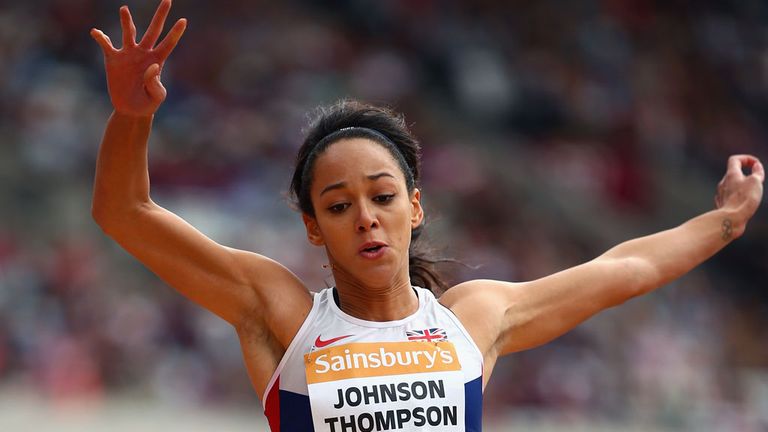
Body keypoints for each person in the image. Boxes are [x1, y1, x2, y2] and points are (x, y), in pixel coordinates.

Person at [90, 1, 764, 431]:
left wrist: (726, 222)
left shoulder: (472, 319)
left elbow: (627, 268)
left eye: (383, 196)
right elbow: (125, 211)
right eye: (337, 205)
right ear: (312, 228)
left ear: (416, 206)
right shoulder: (282, 315)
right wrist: (132, 115)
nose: (365, 218)